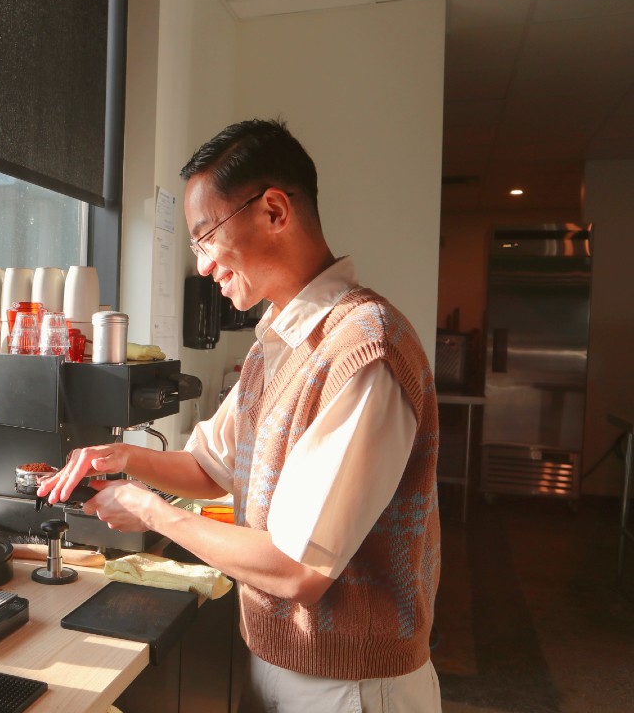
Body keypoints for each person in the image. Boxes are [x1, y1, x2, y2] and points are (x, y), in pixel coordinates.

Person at [38, 118, 441, 711]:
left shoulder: (364, 350)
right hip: (278, 658)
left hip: (353, 686)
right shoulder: (273, 344)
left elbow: (298, 569)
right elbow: (211, 467)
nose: (201, 265)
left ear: (274, 210)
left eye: (206, 236)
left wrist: (153, 512)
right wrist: (125, 458)